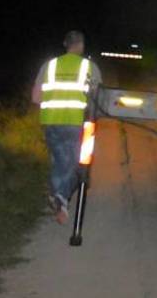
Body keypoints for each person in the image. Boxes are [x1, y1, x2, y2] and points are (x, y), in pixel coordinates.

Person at [31, 30, 102, 225]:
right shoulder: (89, 67)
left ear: (65, 44)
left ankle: (58, 198)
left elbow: (36, 97)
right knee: (75, 165)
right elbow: (98, 100)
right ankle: (60, 197)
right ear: (81, 45)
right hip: (75, 122)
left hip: (51, 121)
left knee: (59, 162)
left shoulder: (49, 65)